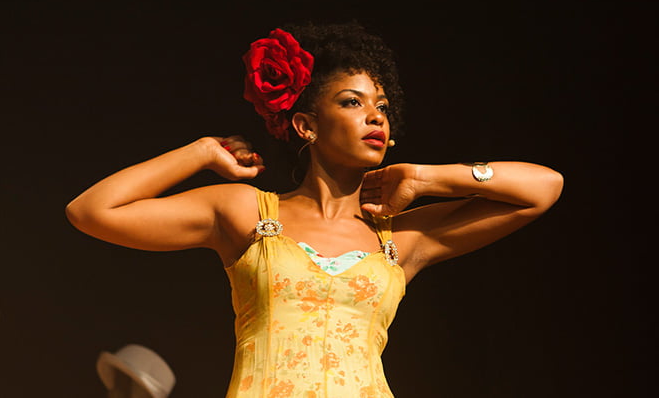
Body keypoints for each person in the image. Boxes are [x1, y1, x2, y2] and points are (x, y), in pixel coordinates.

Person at [65, 22, 563, 397]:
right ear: (306, 125)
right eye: (352, 102)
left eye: (382, 107)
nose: (375, 117)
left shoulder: (400, 238)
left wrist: (427, 178)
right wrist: (201, 152)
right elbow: (91, 210)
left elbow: (544, 187)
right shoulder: (245, 213)